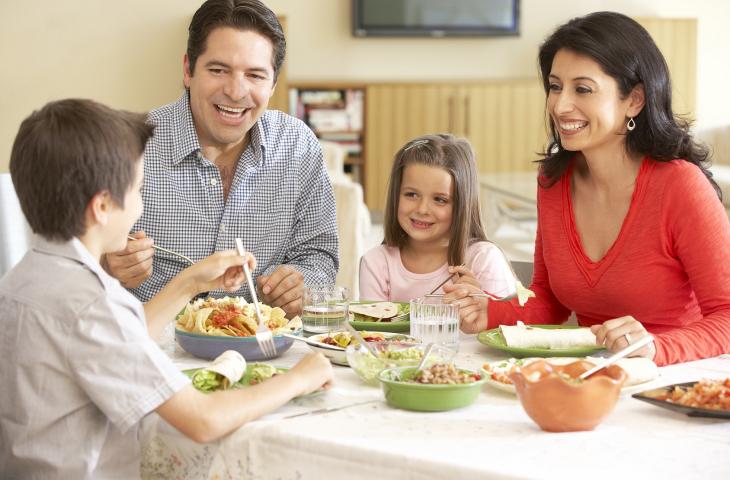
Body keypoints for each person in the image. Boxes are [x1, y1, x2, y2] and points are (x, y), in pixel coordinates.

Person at [0, 99, 333, 478]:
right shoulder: (95, 302)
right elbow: (203, 420)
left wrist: (190, 282)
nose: (141, 206)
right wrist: (297, 379)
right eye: (139, 190)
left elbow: (118, 341)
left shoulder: (24, 278)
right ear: (103, 206)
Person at [445, 11, 730, 366]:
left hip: (671, 382)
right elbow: (550, 301)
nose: (560, 105)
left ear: (634, 100)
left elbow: (726, 316)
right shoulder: (553, 181)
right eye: (554, 86)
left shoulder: (680, 186)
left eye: (583, 89)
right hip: (587, 377)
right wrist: (489, 312)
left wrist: (655, 346)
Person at [104, 0, 338, 317]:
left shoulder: (298, 145)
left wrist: (302, 282)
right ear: (188, 69)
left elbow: (320, 254)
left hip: (262, 344)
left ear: (273, 85)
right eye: (218, 70)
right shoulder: (130, 146)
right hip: (152, 345)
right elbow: (78, 262)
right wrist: (109, 263)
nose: (236, 91)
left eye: (255, 75)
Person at [359, 133, 515, 302]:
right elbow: (371, 327)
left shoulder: (483, 259)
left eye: (440, 200)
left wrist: (481, 307)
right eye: (411, 194)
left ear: (462, 205)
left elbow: (508, 326)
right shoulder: (376, 262)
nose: (422, 209)